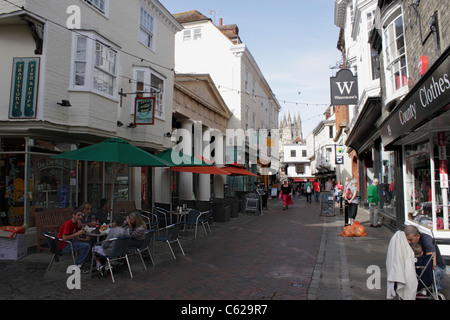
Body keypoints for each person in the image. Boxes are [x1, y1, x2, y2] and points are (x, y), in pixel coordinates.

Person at [405, 225, 446, 292]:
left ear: (418, 236)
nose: (408, 242)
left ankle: (436, 290)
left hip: (437, 267)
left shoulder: (427, 240)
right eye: (406, 240)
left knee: (433, 272)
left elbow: (432, 261)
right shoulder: (409, 242)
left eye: (410, 240)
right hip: (420, 264)